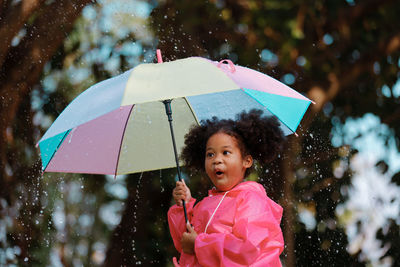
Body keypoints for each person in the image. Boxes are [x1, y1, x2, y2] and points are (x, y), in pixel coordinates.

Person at [168, 109, 285, 267]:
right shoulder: (204, 204)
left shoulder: (252, 200)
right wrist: (184, 206)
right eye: (210, 154)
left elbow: (247, 249)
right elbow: (184, 243)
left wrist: (198, 244)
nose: (217, 160)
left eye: (225, 152)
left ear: (247, 161)